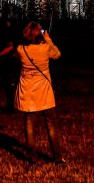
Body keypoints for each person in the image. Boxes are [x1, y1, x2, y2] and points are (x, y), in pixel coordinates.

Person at [14, 21, 65, 164]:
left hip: (27, 91)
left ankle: (32, 157)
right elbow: (57, 54)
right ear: (39, 34)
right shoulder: (46, 48)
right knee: (51, 124)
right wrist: (47, 38)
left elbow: (16, 55)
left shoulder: (21, 49)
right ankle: (57, 157)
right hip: (44, 92)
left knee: (29, 123)